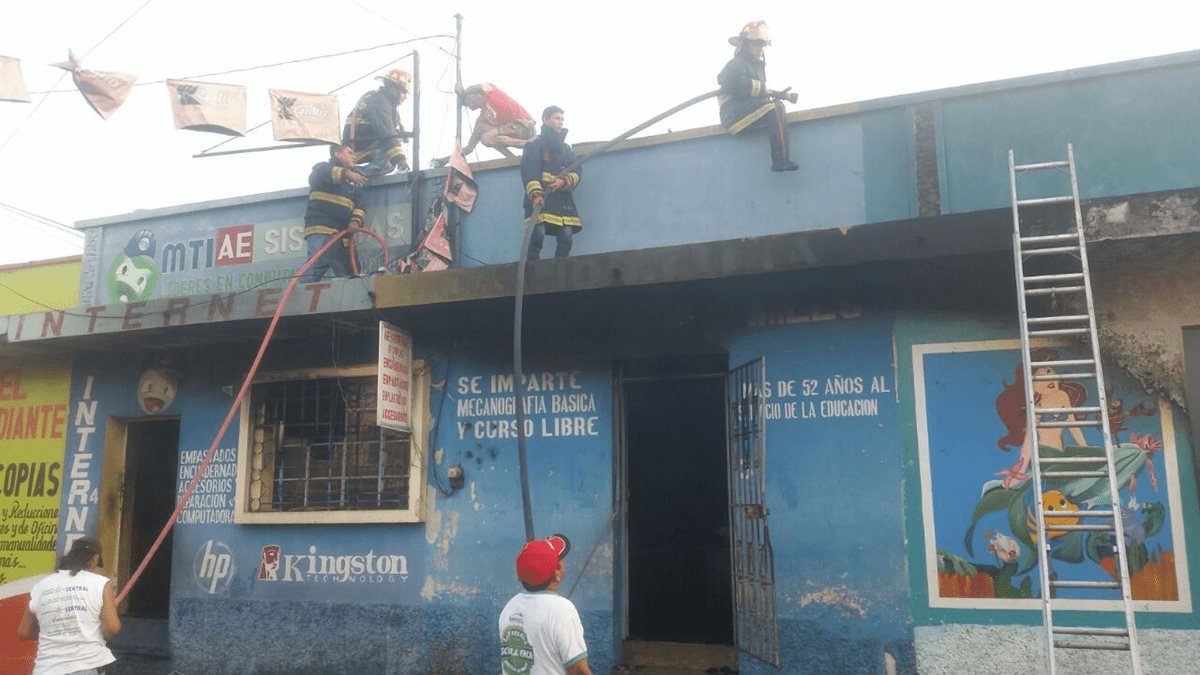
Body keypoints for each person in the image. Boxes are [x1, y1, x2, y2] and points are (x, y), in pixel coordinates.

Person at [18, 536, 121, 675]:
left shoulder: (40, 587)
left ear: (70, 556)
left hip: (45, 669)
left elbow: (24, 632)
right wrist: (97, 631)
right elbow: (113, 628)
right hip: (86, 665)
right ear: (96, 559)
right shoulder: (101, 585)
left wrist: (55, 633)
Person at [499, 534, 592, 675]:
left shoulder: (509, 608)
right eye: (561, 560)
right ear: (558, 572)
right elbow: (578, 670)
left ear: (519, 575)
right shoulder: (562, 609)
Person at [717, 21, 799, 172]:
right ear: (746, 45)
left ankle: (782, 159)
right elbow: (725, 80)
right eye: (757, 44)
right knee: (775, 108)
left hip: (744, 110)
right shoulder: (737, 63)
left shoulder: (757, 68)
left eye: (763, 45)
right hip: (733, 112)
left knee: (776, 105)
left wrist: (771, 94)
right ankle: (781, 160)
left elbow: (754, 92)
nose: (760, 49)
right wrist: (762, 90)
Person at [298, 143, 367, 283]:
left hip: (343, 235)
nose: (354, 157)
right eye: (349, 153)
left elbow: (360, 205)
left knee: (351, 273)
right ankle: (301, 297)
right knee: (317, 262)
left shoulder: (353, 185)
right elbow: (318, 176)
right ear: (337, 154)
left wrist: (355, 221)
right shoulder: (322, 169)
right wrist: (347, 174)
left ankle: (351, 303)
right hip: (322, 230)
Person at [521, 106, 583, 260]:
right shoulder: (535, 144)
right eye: (557, 118)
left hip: (562, 201)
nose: (560, 122)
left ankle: (559, 267)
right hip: (542, 199)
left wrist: (564, 181)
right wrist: (536, 194)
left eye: (562, 119)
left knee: (567, 235)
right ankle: (531, 266)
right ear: (546, 120)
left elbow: (577, 170)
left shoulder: (566, 149)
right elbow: (529, 170)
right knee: (538, 233)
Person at [343, 69, 411, 178]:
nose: (404, 97)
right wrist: (401, 160)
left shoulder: (388, 105)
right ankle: (360, 173)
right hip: (356, 145)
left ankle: (361, 173)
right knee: (393, 144)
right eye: (403, 91)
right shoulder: (379, 101)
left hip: (365, 144)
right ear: (393, 88)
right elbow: (386, 131)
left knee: (390, 159)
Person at [450, 83, 536, 160]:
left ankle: (529, 143)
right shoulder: (483, 118)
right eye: (466, 105)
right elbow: (469, 147)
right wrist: (447, 159)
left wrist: (464, 93)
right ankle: (511, 157)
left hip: (525, 125)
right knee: (485, 137)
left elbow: (483, 86)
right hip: (515, 133)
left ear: (475, 94)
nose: (470, 105)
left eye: (468, 100)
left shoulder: (491, 93)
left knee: (487, 136)